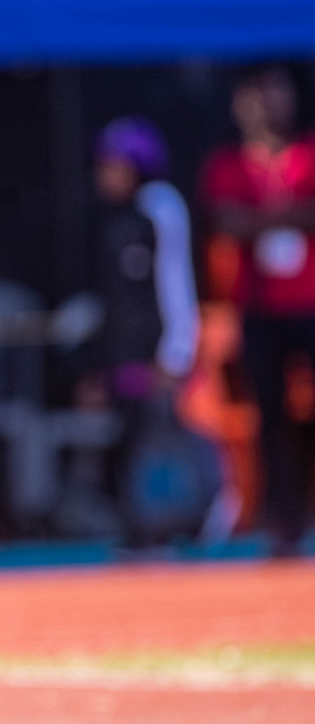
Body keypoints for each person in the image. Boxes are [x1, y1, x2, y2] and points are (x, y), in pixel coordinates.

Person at [200, 67, 315, 555]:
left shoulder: (306, 154)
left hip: (309, 302)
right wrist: (285, 215)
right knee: (267, 416)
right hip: (260, 307)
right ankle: (283, 521)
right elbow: (225, 219)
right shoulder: (227, 164)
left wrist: (261, 219)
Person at [85, 117, 203, 539]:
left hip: (156, 358)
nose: (104, 174)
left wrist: (176, 353)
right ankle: (132, 534)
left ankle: (176, 528)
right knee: (121, 443)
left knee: (158, 443)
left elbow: (176, 281)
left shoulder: (161, 207)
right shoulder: (111, 221)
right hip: (121, 357)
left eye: (113, 164)